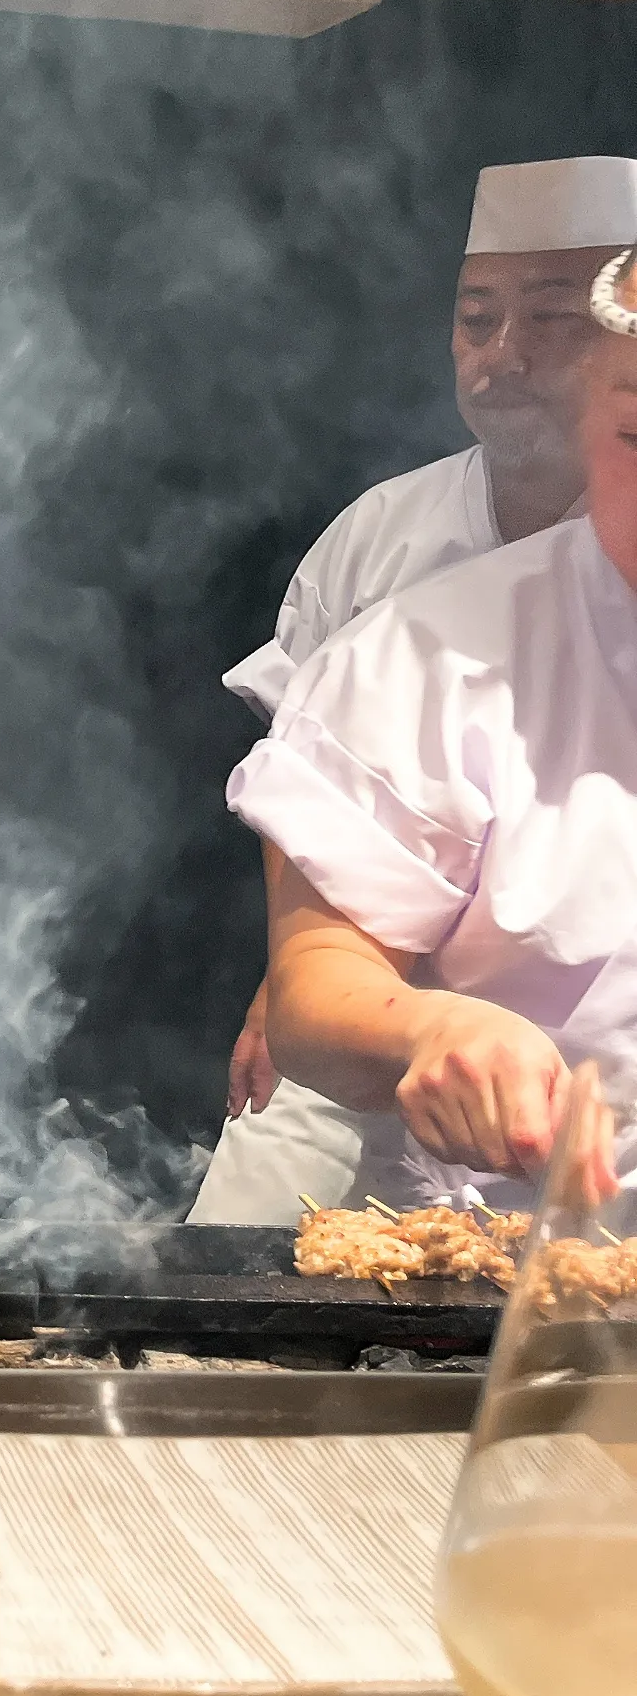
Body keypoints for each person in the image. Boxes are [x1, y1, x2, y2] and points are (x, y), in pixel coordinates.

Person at [189, 157, 631, 1223]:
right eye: (479, 319)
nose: (505, 357)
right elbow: (324, 918)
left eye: (548, 321)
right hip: (447, 1185)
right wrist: (354, 994)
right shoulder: (413, 618)